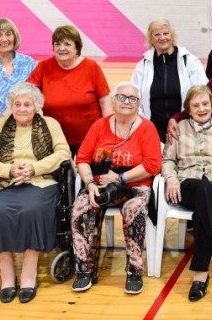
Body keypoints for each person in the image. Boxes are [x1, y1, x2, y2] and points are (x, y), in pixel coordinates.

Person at [0, 82, 71, 303]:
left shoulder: (50, 124)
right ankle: (7, 276)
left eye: (27, 104)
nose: (22, 108)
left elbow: (64, 153)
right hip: (2, 183)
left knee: (32, 210)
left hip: (40, 181)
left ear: (37, 106)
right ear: (11, 106)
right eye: (17, 104)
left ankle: (28, 273)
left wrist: (36, 168)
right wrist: (8, 170)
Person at [70, 82, 161, 295]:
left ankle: (134, 271)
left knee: (134, 209)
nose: (127, 102)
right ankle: (84, 269)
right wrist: (90, 184)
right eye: (122, 97)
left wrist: (119, 178)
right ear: (113, 100)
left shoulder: (146, 128)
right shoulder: (99, 125)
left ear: (139, 104)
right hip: (100, 184)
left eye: (132, 99)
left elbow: (152, 165)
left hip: (135, 185)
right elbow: (82, 159)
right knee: (81, 207)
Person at [161, 85, 212, 301]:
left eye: (205, 104)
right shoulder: (178, 127)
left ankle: (200, 276)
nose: (201, 108)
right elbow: (168, 160)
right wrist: (171, 178)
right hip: (186, 186)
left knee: (203, 211)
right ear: (188, 109)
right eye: (196, 105)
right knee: (201, 187)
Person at [27, 25, 112, 155]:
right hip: (55, 138)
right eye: (57, 44)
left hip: (90, 137)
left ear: (77, 47)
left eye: (67, 44)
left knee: (89, 174)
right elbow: (27, 93)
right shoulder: (44, 66)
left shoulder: (91, 67)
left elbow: (105, 101)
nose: (62, 48)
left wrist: (108, 131)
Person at [131, 18, 207, 143]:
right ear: (151, 39)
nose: (162, 38)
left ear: (172, 36)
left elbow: (202, 94)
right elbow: (134, 97)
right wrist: (145, 125)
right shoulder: (142, 65)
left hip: (185, 128)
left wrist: (182, 120)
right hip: (152, 131)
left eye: (166, 33)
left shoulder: (190, 61)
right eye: (157, 34)